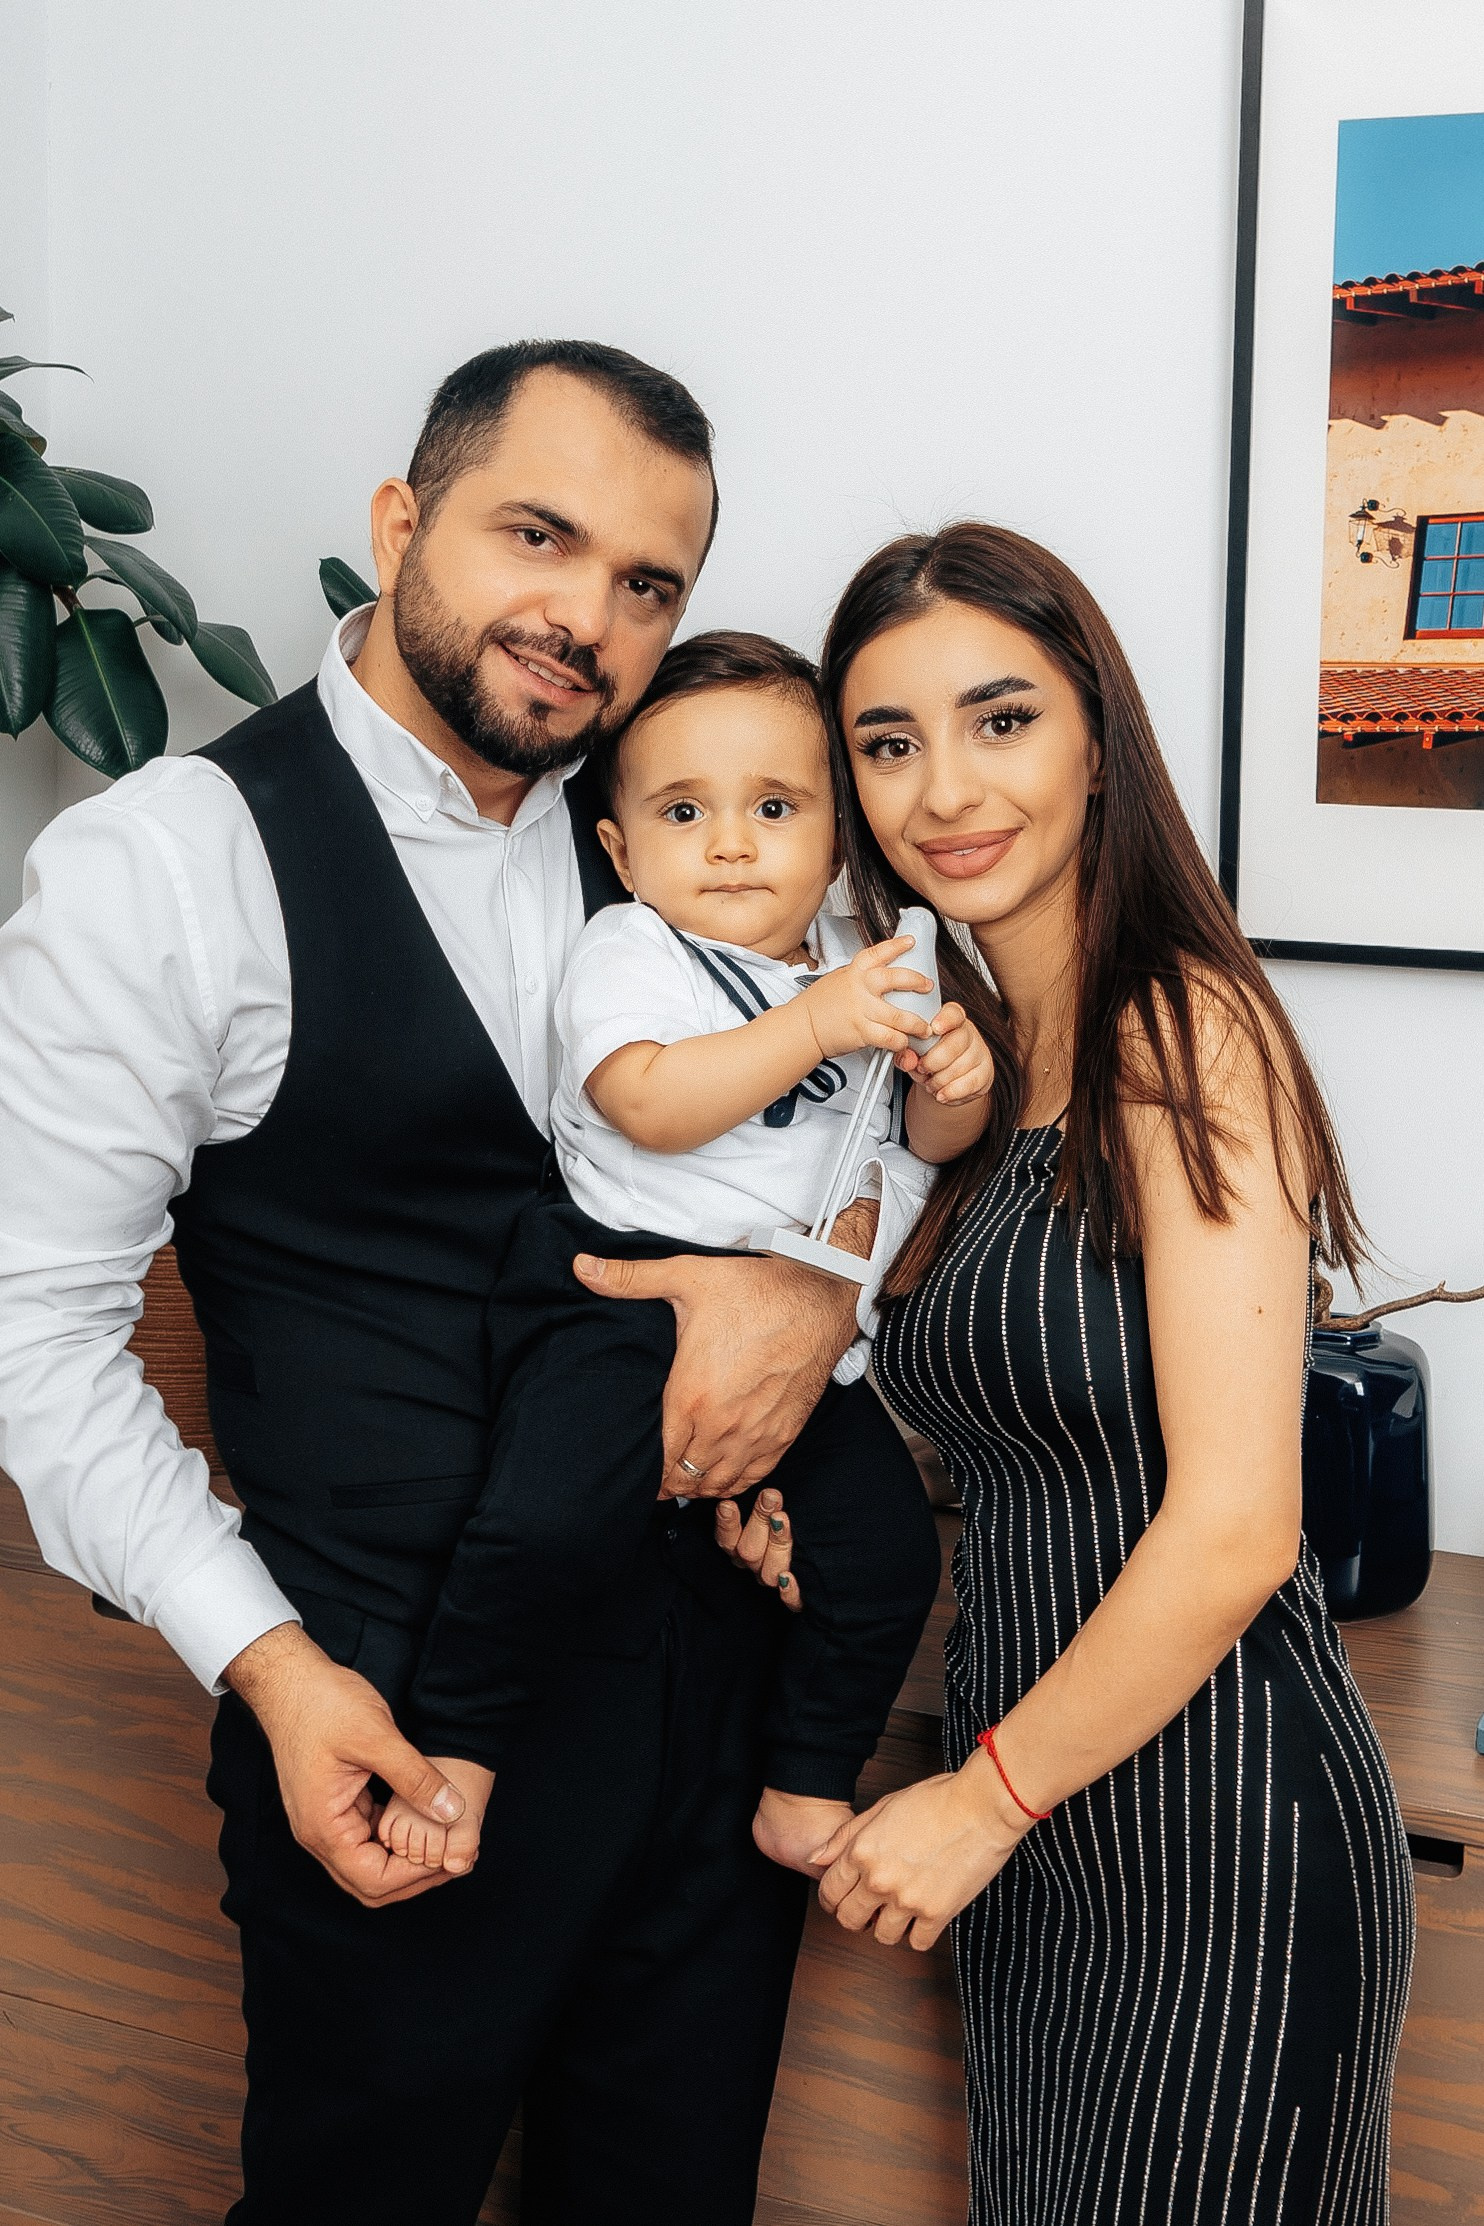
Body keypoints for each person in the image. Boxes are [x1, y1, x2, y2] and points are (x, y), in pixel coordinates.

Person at [0, 344, 915, 2226]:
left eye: (647, 581)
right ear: (400, 522)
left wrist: (819, 1298)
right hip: (394, 1712)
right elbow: (37, 1336)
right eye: (537, 536)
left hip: (715, 1707)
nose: (586, 618)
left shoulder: (684, 823)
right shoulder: (165, 866)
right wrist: (273, 1672)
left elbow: (831, 1136)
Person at [770, 523, 1414, 2223]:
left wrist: (979, 1802)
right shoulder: (982, 1070)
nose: (942, 789)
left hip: (1212, 1823)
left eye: (1000, 720)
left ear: (1095, 743)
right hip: (1047, 1809)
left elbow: (1235, 1527)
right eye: (886, 741)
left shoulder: (1178, 1031)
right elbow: (1018, 1421)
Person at [377, 630, 979, 1880]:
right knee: (543, 1522)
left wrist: (952, 1088)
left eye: (774, 808)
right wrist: (814, 1024)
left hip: (801, 1319)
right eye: (683, 811)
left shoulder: (867, 961)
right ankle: (461, 1744)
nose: (730, 845)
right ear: (619, 850)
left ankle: (805, 1781)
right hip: (615, 1285)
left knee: (886, 1554)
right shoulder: (635, 951)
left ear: (836, 837)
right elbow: (647, 1101)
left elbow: (908, 1147)